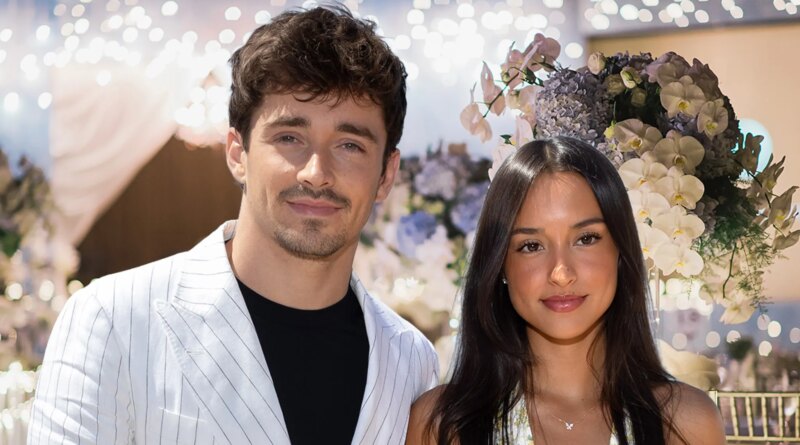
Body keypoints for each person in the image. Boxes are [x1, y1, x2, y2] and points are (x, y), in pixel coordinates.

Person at [29, 5, 438, 445]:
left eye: (350, 145)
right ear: (237, 153)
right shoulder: (112, 319)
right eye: (289, 138)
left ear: (386, 174)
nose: (316, 173)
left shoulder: (411, 361)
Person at [406, 137, 726, 444]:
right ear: (500, 265)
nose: (561, 273)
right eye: (531, 245)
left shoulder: (686, 424)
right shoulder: (442, 425)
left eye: (586, 239)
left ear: (620, 250)